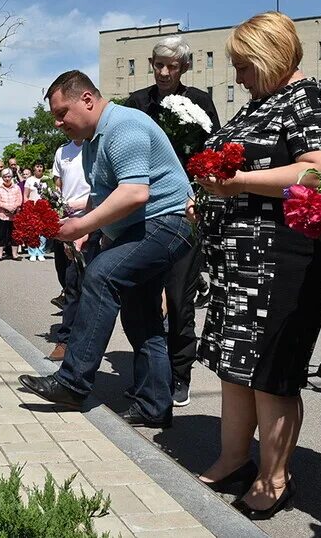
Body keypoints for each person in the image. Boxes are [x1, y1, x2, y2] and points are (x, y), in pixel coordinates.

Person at [194, 12, 321, 520]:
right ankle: (234, 458)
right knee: (236, 366)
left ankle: (275, 477)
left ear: (269, 56)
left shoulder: (308, 100)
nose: (236, 76)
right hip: (241, 260)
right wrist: (210, 195)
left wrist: (233, 184)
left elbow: (316, 171)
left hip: (284, 259)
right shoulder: (259, 104)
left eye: (242, 65)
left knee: (271, 372)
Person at [17, 70, 193, 429]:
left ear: (87, 99)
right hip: (143, 228)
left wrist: (82, 226)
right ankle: (154, 406)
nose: (57, 122)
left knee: (100, 276)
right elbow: (103, 197)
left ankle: (72, 382)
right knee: (141, 317)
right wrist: (84, 232)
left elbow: (134, 193)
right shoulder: (93, 142)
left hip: (167, 223)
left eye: (62, 112)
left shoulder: (123, 126)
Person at [127, 35, 222, 407]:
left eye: (172, 65)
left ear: (184, 67)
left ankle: (180, 373)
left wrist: (198, 196)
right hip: (145, 212)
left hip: (186, 212)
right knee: (142, 298)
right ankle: (151, 375)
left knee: (180, 298)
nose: (164, 72)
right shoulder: (137, 103)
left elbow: (212, 151)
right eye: (158, 64)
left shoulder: (199, 102)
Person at [47, 139, 91, 359]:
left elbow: (103, 189)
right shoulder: (62, 150)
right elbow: (59, 186)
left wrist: (81, 211)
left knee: (76, 283)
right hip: (65, 220)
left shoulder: (96, 146)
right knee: (65, 277)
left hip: (90, 219)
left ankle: (66, 341)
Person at [0, 168, 22, 261]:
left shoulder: (17, 187)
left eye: (9, 176)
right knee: (1, 235)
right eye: (5, 177)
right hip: (2, 215)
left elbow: (19, 199)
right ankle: (0, 255)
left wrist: (13, 207)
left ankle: (15, 254)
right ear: (2, 178)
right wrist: (7, 207)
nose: (7, 178)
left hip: (14, 215)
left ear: (11, 177)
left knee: (14, 235)